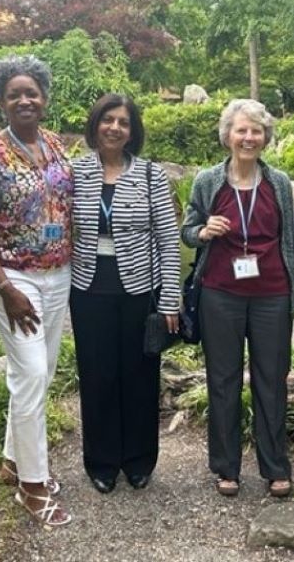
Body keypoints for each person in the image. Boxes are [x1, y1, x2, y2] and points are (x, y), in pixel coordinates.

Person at [0, 55, 73, 528]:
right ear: (1, 102)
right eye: (15, 95)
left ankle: (13, 459)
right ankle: (33, 486)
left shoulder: (55, 145)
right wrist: (6, 288)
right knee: (29, 371)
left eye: (32, 93)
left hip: (59, 273)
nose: (25, 100)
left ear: (44, 99)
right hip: (13, 277)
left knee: (41, 372)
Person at [181, 98, 294, 498]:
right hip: (220, 292)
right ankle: (226, 467)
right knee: (223, 379)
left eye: (256, 130)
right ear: (228, 136)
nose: (249, 137)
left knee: (272, 381)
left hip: (271, 293)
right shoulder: (207, 180)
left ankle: (275, 466)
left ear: (265, 137)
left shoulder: (278, 183)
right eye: (241, 130)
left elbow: (290, 239)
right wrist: (202, 231)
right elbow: (188, 229)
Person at [69, 93, 181, 494]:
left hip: (140, 290)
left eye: (123, 122)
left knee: (139, 376)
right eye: (107, 120)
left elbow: (168, 240)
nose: (115, 128)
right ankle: (101, 461)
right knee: (97, 376)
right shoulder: (75, 172)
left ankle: (138, 459)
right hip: (88, 289)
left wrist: (170, 298)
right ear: (95, 124)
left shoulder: (151, 175)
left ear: (133, 131)